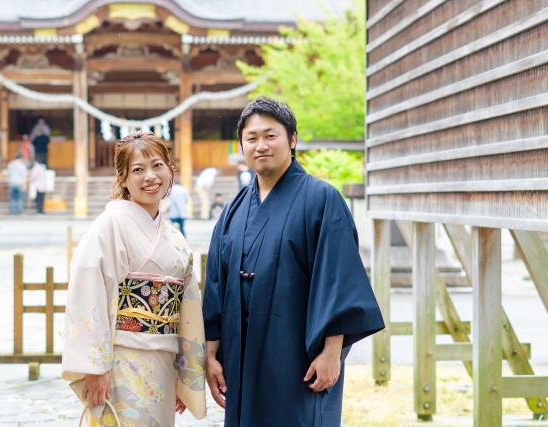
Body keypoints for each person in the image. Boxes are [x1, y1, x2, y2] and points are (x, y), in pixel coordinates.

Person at [202, 97, 385, 427]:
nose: (261, 145)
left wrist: (332, 352)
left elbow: (339, 278)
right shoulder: (232, 211)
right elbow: (215, 282)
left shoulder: (321, 198)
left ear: (293, 140)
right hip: (240, 349)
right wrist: (211, 354)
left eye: (271, 135)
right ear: (242, 144)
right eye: (252, 137)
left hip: (296, 350)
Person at [62, 131, 206, 427]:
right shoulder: (109, 224)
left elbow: (188, 309)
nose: (150, 177)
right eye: (137, 170)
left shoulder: (175, 238)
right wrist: (94, 367)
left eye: (157, 166)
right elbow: (87, 289)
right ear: (123, 179)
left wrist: (184, 373)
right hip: (119, 361)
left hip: (164, 362)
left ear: (170, 170)